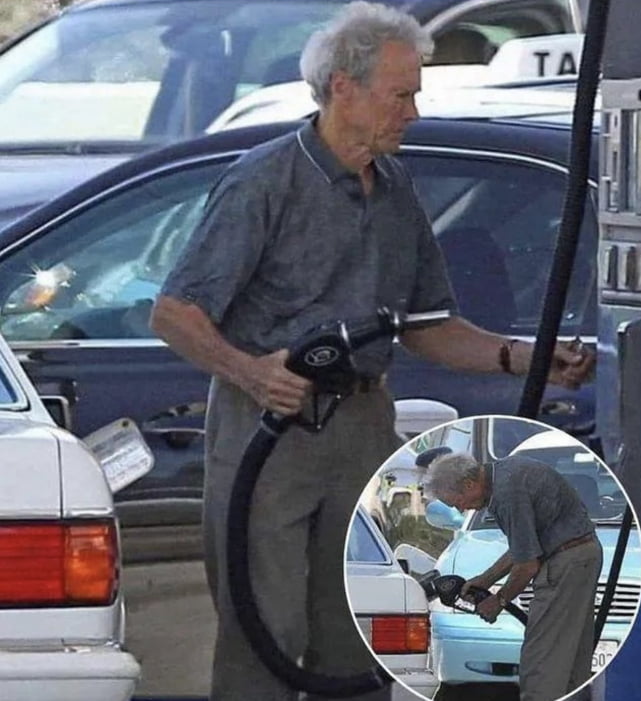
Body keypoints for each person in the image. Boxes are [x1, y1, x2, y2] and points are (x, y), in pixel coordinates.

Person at [149, 2, 595, 700]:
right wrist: (252, 372)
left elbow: (427, 323)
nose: (413, 111)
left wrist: (527, 356)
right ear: (342, 90)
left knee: (358, 628)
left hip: (360, 423)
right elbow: (174, 313)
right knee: (265, 629)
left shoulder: (393, 187)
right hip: (270, 428)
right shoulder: (263, 182)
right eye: (401, 93)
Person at [423, 451, 603, 701]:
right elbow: (523, 546)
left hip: (566, 561)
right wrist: (485, 579)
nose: (461, 510)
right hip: (580, 554)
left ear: (469, 484)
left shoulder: (507, 495)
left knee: (541, 663)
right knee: (571, 661)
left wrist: (498, 601)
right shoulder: (504, 475)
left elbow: (527, 565)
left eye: (458, 502)